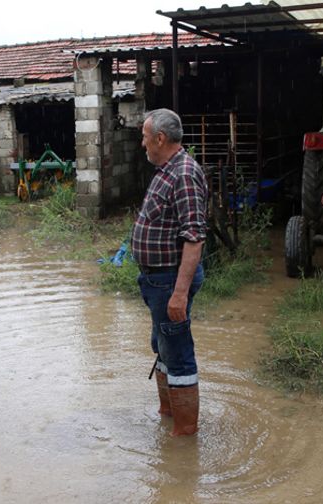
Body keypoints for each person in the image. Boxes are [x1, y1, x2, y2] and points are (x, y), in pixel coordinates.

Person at [132, 108, 207, 437]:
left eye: (145, 137)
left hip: (169, 281)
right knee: (162, 347)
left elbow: (194, 238)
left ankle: (184, 437)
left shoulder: (184, 173)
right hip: (157, 280)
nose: (143, 143)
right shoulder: (167, 169)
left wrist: (179, 293)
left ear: (160, 138)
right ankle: (168, 415)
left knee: (177, 354)